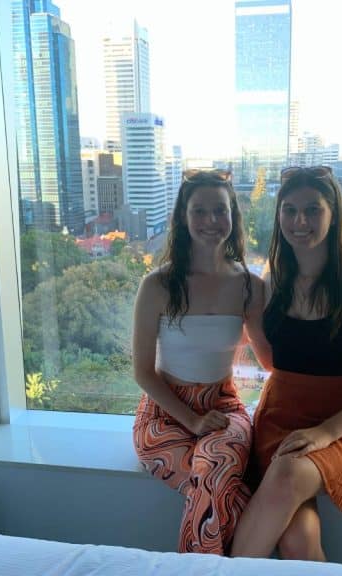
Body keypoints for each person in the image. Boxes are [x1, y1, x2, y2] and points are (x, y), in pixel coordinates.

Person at [231, 166, 342, 560]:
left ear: (333, 214)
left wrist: (326, 432)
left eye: (313, 210)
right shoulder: (272, 280)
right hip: (282, 416)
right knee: (296, 537)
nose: (300, 221)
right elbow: (273, 360)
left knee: (289, 472)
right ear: (278, 216)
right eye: (290, 210)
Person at [132, 169, 272, 555]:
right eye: (199, 211)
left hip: (225, 408)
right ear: (182, 217)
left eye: (220, 210)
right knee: (226, 491)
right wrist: (191, 419)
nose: (211, 221)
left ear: (233, 216)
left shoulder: (249, 285)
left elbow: (269, 360)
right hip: (163, 415)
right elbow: (143, 371)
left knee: (215, 468)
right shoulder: (157, 285)